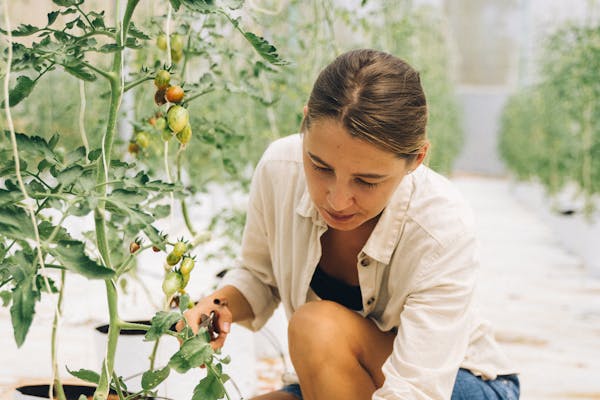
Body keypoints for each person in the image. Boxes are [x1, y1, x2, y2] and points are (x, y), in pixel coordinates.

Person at [182, 49, 520, 400]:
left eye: (367, 181)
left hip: (452, 383)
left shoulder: (441, 225)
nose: (337, 200)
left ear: (416, 159)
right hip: (344, 377)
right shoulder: (278, 169)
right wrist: (216, 306)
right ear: (305, 123)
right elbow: (259, 276)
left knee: (316, 327)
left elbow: (416, 389)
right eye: (320, 166)